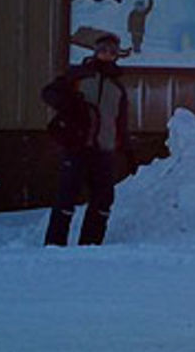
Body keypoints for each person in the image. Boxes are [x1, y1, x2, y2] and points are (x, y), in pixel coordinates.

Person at [41, 32, 133, 246]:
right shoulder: (78, 76)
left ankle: (90, 246)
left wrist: (127, 150)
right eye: (102, 49)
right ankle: (54, 245)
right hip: (77, 146)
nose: (107, 54)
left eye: (112, 51)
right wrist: (65, 102)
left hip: (104, 151)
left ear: (117, 55)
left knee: (103, 201)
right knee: (67, 197)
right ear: (95, 51)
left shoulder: (118, 88)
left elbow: (120, 122)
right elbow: (49, 93)